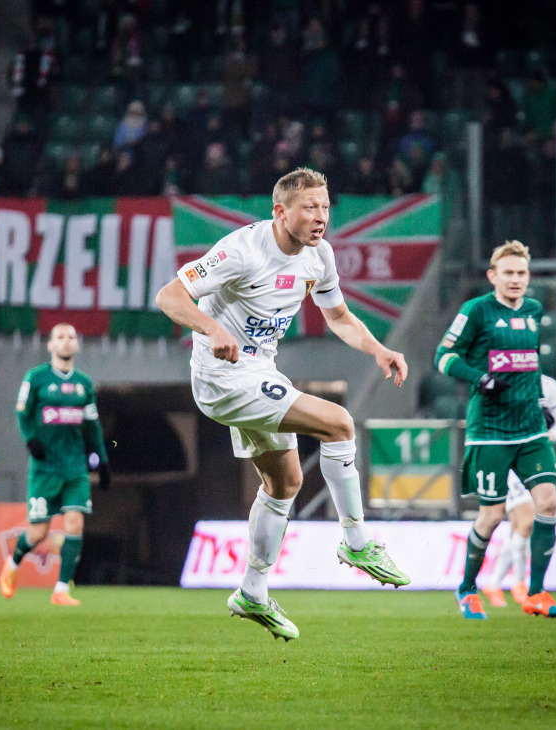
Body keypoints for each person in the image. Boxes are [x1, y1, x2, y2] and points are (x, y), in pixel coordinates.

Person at [155, 167, 410, 642]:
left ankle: (252, 591)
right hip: (222, 376)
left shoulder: (320, 256)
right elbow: (169, 296)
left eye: (326, 208)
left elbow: (339, 316)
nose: (320, 217)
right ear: (281, 211)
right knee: (339, 423)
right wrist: (212, 329)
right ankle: (356, 541)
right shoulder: (242, 250)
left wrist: (378, 350)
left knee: (286, 481)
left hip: (259, 373)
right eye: (310, 207)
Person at [434, 240, 556, 620]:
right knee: (491, 518)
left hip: (531, 429)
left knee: (549, 502)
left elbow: (529, 365)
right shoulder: (476, 311)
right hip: (490, 430)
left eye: (521, 273)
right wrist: (480, 379)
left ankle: (537, 592)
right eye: (508, 273)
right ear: (493, 276)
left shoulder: (534, 311)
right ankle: (467, 588)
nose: (515, 280)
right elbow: (443, 357)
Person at [0, 323, 111, 606]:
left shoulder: (84, 384)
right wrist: (30, 440)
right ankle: (12, 565)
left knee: (75, 522)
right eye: (60, 337)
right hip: (45, 468)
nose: (65, 342)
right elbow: (22, 414)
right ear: (50, 345)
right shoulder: (35, 378)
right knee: (39, 533)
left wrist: (103, 460)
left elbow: (92, 425)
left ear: (76, 345)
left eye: (71, 337)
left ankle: (61, 590)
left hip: (74, 468)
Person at [482, 374, 556, 608]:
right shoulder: (501, 381)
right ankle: (516, 584)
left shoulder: (549, 385)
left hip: (536, 459)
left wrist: (544, 440)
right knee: (526, 522)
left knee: (521, 525)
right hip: (509, 459)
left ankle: (500, 584)